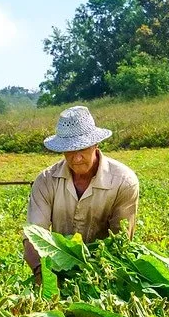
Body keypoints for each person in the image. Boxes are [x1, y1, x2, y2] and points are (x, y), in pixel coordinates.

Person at [23, 106, 139, 282]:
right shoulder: (46, 181)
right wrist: (41, 274)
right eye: (69, 150)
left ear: (95, 144)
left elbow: (120, 242)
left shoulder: (123, 181)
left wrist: (98, 277)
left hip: (105, 272)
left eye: (82, 149)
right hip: (57, 271)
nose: (76, 158)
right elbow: (34, 236)